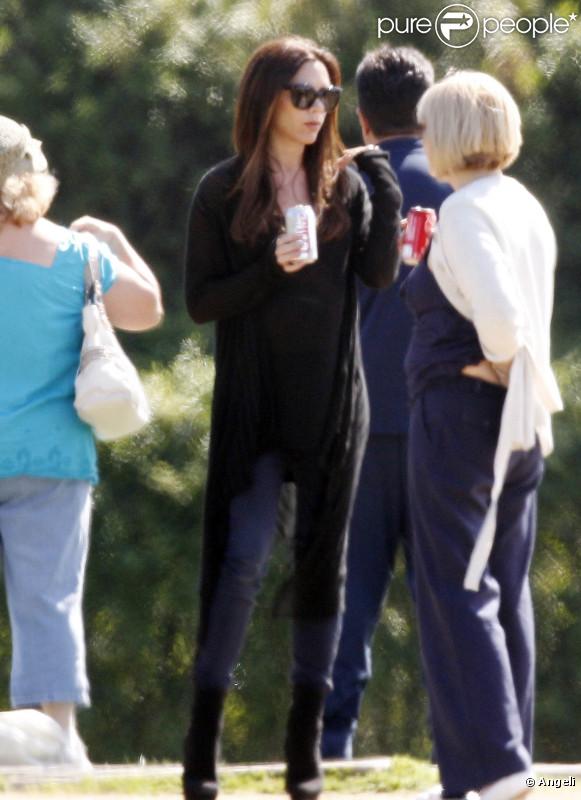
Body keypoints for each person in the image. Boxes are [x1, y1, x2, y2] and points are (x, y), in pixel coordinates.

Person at [182, 35, 402, 800]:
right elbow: (200, 302)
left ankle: (304, 751)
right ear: (266, 98)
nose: (316, 110)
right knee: (240, 561)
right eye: (302, 95)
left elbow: (379, 274)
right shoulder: (220, 191)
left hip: (334, 410)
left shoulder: (345, 186)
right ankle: (201, 745)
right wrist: (268, 268)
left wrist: (384, 192)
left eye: (327, 96)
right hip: (254, 413)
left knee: (321, 569)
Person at [401, 72, 562, 800]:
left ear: (448, 134)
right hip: (518, 424)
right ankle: (498, 762)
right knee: (501, 585)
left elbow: (499, 319)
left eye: (427, 127)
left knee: (458, 587)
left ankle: (496, 767)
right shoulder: (522, 204)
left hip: (466, 419)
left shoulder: (464, 211)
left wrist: (496, 363)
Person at [0, 115, 163, 767]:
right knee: (49, 599)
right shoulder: (75, 254)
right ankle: (58, 739)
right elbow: (148, 308)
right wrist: (115, 240)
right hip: (53, 458)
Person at [322, 45, 451, 760]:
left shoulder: (336, 188)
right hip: (445, 417)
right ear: (429, 112)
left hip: (357, 421)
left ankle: (329, 751)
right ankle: (466, 755)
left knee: (347, 602)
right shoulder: (462, 185)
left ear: (360, 117)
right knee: (454, 601)